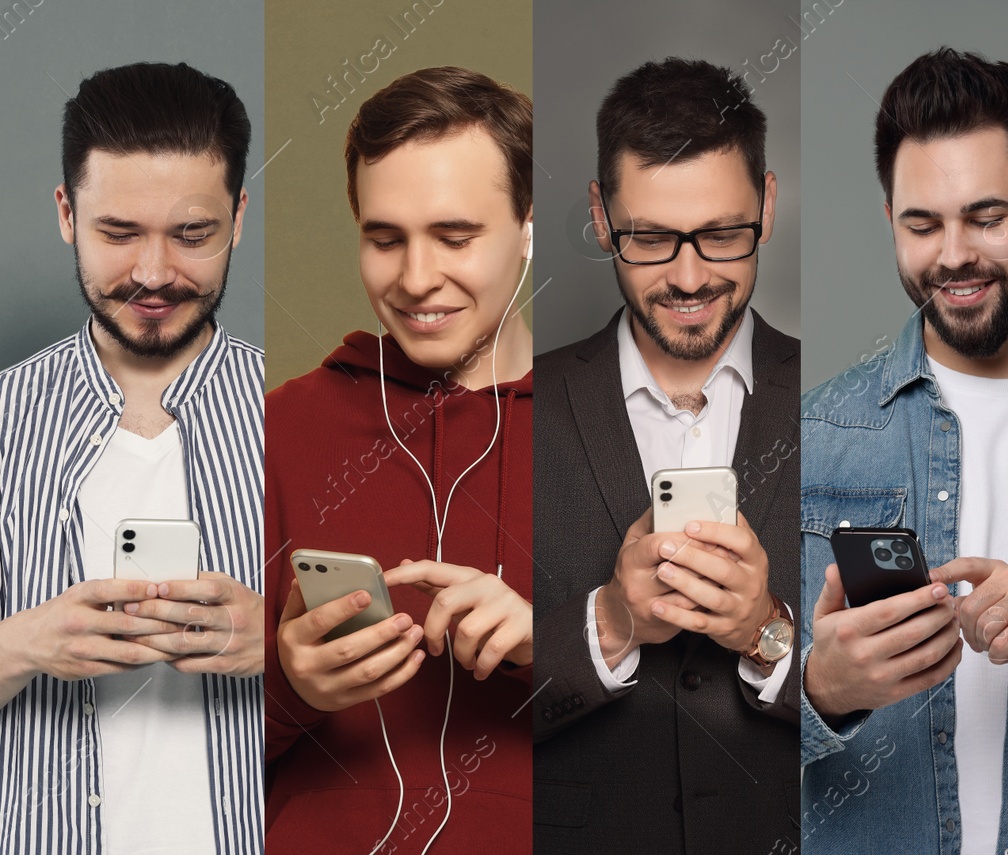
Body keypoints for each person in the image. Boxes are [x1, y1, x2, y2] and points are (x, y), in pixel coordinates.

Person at [800, 48, 1008, 854]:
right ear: (890, 220)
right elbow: (716, 729)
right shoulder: (811, 437)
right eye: (923, 224)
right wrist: (819, 690)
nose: (954, 254)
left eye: (988, 218)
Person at [532, 58, 800, 853]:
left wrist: (764, 633)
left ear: (769, 204)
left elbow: (895, 705)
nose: (688, 277)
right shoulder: (514, 409)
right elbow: (461, 709)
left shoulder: (843, 403)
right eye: (649, 238)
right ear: (601, 214)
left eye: (721, 234)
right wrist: (608, 622)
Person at [262, 67, 533, 853]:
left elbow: (682, 749)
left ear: (527, 227)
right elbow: (174, 760)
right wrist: (290, 687)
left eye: (455, 237)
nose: (416, 279)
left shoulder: (608, 425)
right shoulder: (276, 428)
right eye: (385, 239)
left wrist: (554, 643)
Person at [0, 62, 264, 853]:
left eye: (192, 234)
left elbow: (415, 705)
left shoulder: (304, 415)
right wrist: (23, 644)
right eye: (119, 233)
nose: (154, 275)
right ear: (66, 214)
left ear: (239, 218)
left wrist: (276, 650)